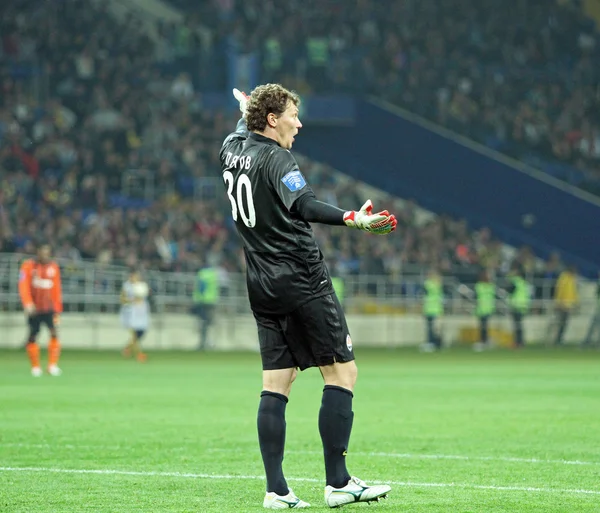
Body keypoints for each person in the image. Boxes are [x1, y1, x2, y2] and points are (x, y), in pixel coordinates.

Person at [220, 85, 396, 509]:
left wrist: (248, 109)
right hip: (301, 277)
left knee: (276, 383)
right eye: (292, 116)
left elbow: (240, 129)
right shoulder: (277, 158)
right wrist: (355, 218)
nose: (299, 123)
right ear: (272, 120)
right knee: (342, 374)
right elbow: (305, 205)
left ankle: (276, 491)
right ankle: (338, 483)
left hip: (261, 281)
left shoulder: (230, 149)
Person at [18, 242, 63, 376]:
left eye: (47, 252)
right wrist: (27, 303)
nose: (45, 255)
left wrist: (58, 309)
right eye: (43, 252)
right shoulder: (28, 266)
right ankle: (35, 367)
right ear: (37, 252)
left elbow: (57, 289)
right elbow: (23, 285)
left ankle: (52, 366)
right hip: (34, 309)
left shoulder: (54, 267)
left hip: (49, 308)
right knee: (33, 335)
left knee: (54, 333)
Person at [120, 270, 149, 362]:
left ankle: (127, 349)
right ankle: (140, 354)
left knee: (141, 333)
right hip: (129, 313)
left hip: (141, 312)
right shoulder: (126, 286)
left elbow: (144, 296)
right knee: (134, 334)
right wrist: (131, 301)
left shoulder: (141, 285)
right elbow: (122, 299)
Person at [192, 263, 219, 350]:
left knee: (203, 323)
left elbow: (201, 286)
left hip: (203, 301)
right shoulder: (213, 274)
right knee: (210, 323)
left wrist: (200, 297)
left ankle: (203, 343)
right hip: (212, 301)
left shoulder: (202, 274)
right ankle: (211, 343)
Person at [505, 265, 531, 348]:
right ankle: (521, 342)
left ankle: (517, 343)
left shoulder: (515, 281)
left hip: (516, 305)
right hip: (523, 305)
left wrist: (509, 277)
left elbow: (509, 290)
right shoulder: (524, 283)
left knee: (516, 326)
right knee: (519, 325)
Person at [553, 266, 578, 345]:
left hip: (568, 305)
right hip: (563, 305)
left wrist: (576, 302)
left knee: (564, 323)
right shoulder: (564, 278)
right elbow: (559, 291)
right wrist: (558, 303)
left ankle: (559, 340)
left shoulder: (571, 279)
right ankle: (557, 340)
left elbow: (574, 292)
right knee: (561, 323)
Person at [421, 268, 444, 352]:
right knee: (435, 328)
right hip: (436, 308)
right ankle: (436, 343)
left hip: (430, 308)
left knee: (431, 327)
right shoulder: (438, 284)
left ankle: (431, 343)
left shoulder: (428, 283)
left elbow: (424, 294)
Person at [581, 271, 600, 347]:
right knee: (593, 326)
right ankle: (588, 342)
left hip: (598, 310)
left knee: (593, 326)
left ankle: (588, 342)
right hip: (598, 309)